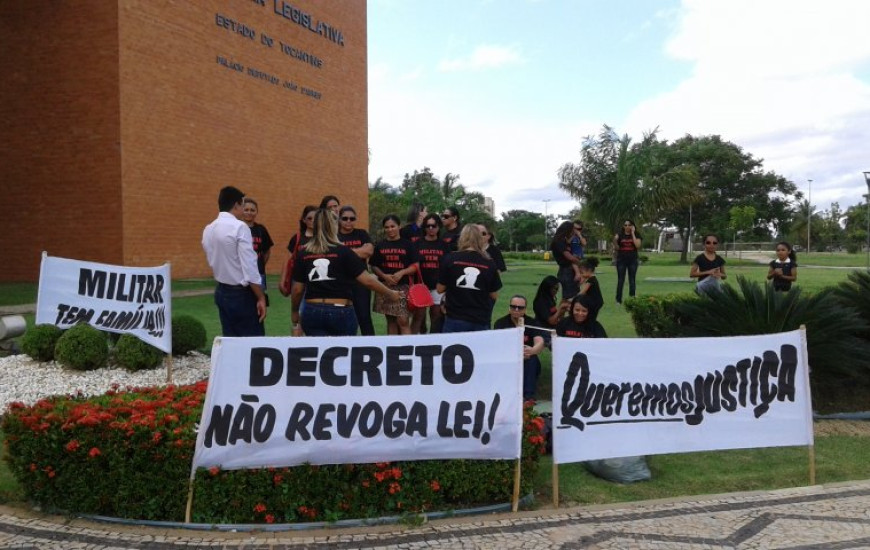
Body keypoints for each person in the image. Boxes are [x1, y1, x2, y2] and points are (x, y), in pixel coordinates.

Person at [291, 209, 401, 337]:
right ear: (334, 226)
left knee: (320, 355)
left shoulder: (303, 253)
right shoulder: (344, 251)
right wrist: (391, 293)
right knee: (342, 354)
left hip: (312, 310)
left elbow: (297, 289)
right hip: (340, 310)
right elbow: (367, 281)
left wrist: (294, 311)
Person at [202, 186, 267, 337]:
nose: (244, 209)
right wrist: (261, 297)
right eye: (243, 205)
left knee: (230, 341)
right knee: (252, 344)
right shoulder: (240, 227)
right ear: (236, 205)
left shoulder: (209, 228)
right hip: (241, 294)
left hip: (221, 290)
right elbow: (250, 268)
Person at [437, 224, 502, 332]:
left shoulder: (450, 259)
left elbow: (439, 289)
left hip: (455, 317)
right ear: (479, 239)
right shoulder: (489, 262)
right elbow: (494, 295)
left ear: (462, 238)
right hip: (480, 319)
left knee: (453, 348)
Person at [371, 214, 418, 334]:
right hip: (385, 286)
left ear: (399, 226)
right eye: (387, 227)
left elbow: (416, 266)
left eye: (393, 226)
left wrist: (402, 272)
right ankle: (392, 349)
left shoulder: (408, 245)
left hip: (403, 287)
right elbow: (374, 265)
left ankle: (408, 349)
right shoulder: (380, 245)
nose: (390, 229)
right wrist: (383, 276)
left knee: (403, 321)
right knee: (391, 320)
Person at [493, 295, 545, 400]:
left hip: (527, 358)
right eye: (513, 306)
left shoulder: (532, 323)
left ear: (525, 309)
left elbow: (540, 342)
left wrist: (532, 351)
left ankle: (528, 397)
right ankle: (504, 394)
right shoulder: (500, 323)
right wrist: (516, 355)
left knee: (532, 360)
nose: (516, 309)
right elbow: (498, 347)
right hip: (508, 359)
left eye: (520, 307)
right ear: (509, 307)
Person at [337, 205, 376, 335]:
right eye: (345, 218)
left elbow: (369, 251)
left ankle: (371, 348)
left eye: (352, 218)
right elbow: (333, 256)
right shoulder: (334, 235)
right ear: (339, 219)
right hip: (340, 282)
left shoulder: (362, 234)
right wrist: (358, 251)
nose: (349, 221)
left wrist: (344, 251)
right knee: (341, 317)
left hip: (361, 282)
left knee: (364, 317)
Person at [412, 213, 449, 334]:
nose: (431, 228)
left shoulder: (444, 245)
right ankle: (416, 343)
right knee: (419, 317)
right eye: (428, 226)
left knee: (436, 316)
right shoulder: (417, 244)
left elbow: (448, 266)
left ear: (439, 227)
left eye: (434, 225)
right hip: (420, 286)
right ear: (424, 227)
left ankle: (433, 342)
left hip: (438, 286)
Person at [278, 205, 316, 297]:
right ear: (304, 220)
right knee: (298, 308)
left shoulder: (323, 239)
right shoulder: (297, 238)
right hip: (298, 279)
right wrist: (282, 281)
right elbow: (287, 259)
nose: (313, 221)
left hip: (316, 279)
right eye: (309, 218)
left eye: (316, 218)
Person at [242, 198, 274, 291]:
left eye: (252, 210)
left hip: (258, 273)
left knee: (259, 302)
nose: (249, 212)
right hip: (240, 274)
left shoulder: (261, 229)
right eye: (246, 210)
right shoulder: (236, 228)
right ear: (241, 211)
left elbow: (267, 251)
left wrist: (260, 264)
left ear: (256, 212)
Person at [551, 221, 582, 301]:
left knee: (567, 298)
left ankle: (560, 313)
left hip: (566, 270)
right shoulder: (559, 242)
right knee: (571, 298)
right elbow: (570, 257)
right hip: (566, 271)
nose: (573, 232)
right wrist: (580, 264)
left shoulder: (563, 241)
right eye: (572, 230)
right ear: (567, 230)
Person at [613, 219, 642, 304]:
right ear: (623, 226)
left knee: (632, 280)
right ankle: (618, 300)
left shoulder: (637, 235)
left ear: (632, 226)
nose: (627, 227)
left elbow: (637, 245)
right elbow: (617, 248)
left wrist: (633, 233)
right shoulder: (620, 235)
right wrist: (615, 241)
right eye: (625, 225)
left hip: (632, 260)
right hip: (621, 260)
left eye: (629, 225)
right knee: (620, 280)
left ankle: (632, 299)